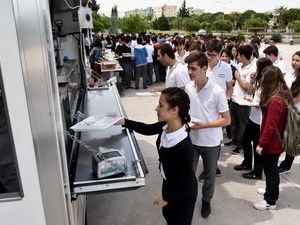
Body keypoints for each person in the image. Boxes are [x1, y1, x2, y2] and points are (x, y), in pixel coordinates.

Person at [116, 87, 197, 225]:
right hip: (169, 182)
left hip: (182, 195)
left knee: (178, 220)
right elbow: (147, 129)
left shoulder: (183, 147)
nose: (156, 109)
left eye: (161, 105)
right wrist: (125, 122)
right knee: (168, 215)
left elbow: (185, 182)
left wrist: (167, 198)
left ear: (174, 110)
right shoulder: (165, 125)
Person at [184, 52, 230, 218]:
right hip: (192, 140)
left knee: (210, 176)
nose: (190, 72)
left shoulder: (217, 91)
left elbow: (226, 120)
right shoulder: (189, 87)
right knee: (189, 173)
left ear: (204, 68)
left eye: (193, 69)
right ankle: (188, 199)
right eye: (188, 68)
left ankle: (206, 201)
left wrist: (204, 126)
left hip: (211, 142)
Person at [253, 65, 290, 211]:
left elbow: (270, 125)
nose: (261, 79)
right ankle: (271, 190)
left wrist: (261, 144)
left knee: (271, 170)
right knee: (271, 169)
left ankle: (270, 201)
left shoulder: (275, 100)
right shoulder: (283, 93)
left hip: (273, 142)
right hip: (276, 140)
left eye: (263, 77)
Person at [235, 58, 273, 180]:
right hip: (253, 117)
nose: (256, 70)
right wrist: (252, 81)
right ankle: (247, 163)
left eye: (258, 67)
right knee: (245, 140)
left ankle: (257, 172)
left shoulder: (269, 83)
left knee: (257, 146)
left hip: (260, 120)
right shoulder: (259, 79)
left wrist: (255, 103)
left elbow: (266, 103)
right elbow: (251, 91)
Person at [278, 51, 300, 174]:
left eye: (297, 60)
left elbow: (295, 100)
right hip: (287, 110)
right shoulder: (288, 75)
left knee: (292, 139)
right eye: (293, 59)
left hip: (296, 113)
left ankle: (286, 166)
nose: (294, 62)